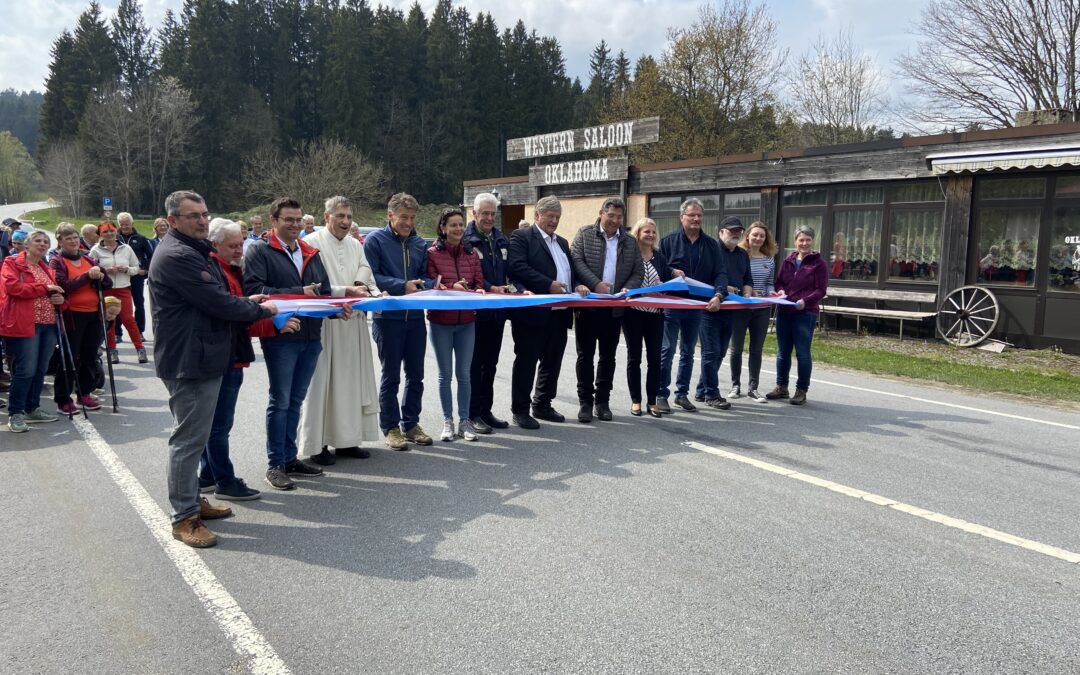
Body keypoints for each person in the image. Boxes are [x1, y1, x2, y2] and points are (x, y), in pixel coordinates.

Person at [150, 191, 279, 548]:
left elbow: (219, 298)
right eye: (193, 216)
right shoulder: (178, 255)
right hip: (189, 361)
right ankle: (184, 518)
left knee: (195, 438)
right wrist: (260, 311)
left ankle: (192, 502)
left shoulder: (194, 250)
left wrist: (244, 301)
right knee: (188, 441)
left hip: (201, 356)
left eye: (204, 214)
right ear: (173, 220)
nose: (202, 221)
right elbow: (217, 302)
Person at [244, 197, 347, 490]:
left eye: (298, 220)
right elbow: (256, 292)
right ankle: (275, 464)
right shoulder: (259, 251)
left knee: (295, 401)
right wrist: (298, 292)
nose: (295, 225)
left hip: (311, 336)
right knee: (280, 401)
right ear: (273, 221)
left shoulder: (309, 252)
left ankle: (290, 458)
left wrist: (338, 310)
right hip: (281, 337)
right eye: (288, 220)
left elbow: (324, 292)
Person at [299, 196, 382, 466]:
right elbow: (312, 283)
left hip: (353, 324)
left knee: (350, 383)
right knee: (322, 384)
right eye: (340, 216)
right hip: (326, 324)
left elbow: (365, 267)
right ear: (326, 217)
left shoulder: (356, 244)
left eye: (349, 216)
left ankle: (347, 440)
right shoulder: (311, 243)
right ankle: (318, 443)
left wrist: (358, 284)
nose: (346, 222)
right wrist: (342, 292)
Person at [507, 195, 587, 429]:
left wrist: (579, 284)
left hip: (560, 312)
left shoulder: (562, 242)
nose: (554, 221)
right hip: (532, 312)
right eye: (550, 216)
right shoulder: (522, 237)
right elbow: (517, 267)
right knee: (527, 360)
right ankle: (520, 410)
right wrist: (547, 284)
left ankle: (542, 404)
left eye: (557, 217)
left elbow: (570, 269)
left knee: (552, 361)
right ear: (537, 216)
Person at [364, 192, 435, 451]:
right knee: (391, 376)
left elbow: (426, 276)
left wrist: (423, 284)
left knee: (416, 375)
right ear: (390, 215)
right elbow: (370, 278)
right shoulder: (375, 241)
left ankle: (412, 424)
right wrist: (401, 286)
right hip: (388, 319)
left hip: (416, 318)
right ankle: (391, 427)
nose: (408, 222)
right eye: (403, 217)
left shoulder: (419, 243)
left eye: (412, 218)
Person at [570, 196, 643, 422]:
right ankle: (585, 402)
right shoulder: (584, 234)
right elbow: (576, 261)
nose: (614, 220)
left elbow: (637, 272)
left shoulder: (630, 242)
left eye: (619, 217)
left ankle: (602, 402)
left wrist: (626, 290)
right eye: (610, 215)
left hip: (614, 308)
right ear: (601, 213)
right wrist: (595, 284)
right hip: (588, 307)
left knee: (608, 357)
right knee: (585, 356)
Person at [656, 198, 728, 413]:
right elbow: (658, 269)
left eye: (699, 215)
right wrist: (671, 271)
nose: (696, 219)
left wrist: (719, 295)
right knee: (667, 350)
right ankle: (661, 394)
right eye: (692, 215)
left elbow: (720, 273)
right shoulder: (668, 241)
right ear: (682, 217)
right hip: (672, 305)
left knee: (688, 351)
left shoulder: (711, 245)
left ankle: (682, 394)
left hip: (697, 307)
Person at [426, 207, 486, 441]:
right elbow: (432, 283)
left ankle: (464, 421)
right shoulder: (432, 253)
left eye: (461, 224)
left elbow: (479, 282)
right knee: (445, 374)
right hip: (441, 322)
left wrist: (477, 289)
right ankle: (447, 421)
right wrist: (452, 287)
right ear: (443, 228)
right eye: (453, 225)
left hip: (467, 322)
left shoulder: (472, 253)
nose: (458, 228)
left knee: (464, 374)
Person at [0, 230, 64, 432]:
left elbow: (55, 294)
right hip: (24, 324)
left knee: (40, 369)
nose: (43, 244)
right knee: (25, 370)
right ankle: (16, 413)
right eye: (38, 240)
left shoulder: (46, 268)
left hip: (48, 324)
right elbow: (13, 288)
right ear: (26, 245)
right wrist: (45, 288)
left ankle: (32, 408)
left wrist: (61, 301)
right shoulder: (12, 263)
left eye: (46, 241)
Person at [463, 192, 511, 433]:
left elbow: (510, 272)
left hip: (498, 313)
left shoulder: (502, 240)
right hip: (476, 314)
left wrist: (518, 290)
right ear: (474, 213)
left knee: (491, 364)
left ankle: (486, 410)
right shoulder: (466, 241)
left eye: (493, 214)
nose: (489, 218)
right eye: (485, 213)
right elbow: (464, 277)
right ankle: (472, 414)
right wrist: (487, 288)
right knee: (476, 365)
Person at [50, 223, 110, 414]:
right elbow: (63, 286)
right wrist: (87, 276)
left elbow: (107, 282)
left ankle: (84, 393)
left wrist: (99, 275)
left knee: (90, 356)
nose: (74, 241)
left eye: (75, 237)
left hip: (94, 314)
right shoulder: (57, 261)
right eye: (68, 239)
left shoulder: (89, 259)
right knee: (69, 357)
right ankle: (63, 398)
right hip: (72, 315)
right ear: (60, 242)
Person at [767, 224, 828, 405]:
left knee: (802, 353)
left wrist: (805, 302)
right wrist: (779, 292)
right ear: (795, 241)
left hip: (805, 313)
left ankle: (801, 390)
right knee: (782, 352)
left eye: (808, 240)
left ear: (812, 241)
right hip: (785, 311)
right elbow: (779, 283)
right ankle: (781, 387)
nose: (804, 243)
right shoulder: (788, 261)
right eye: (801, 240)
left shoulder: (819, 264)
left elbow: (820, 290)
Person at [696, 216, 752, 410]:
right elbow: (700, 279)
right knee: (710, 352)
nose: (735, 234)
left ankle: (701, 389)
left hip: (731, 310)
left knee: (719, 352)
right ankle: (712, 394)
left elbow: (748, 279)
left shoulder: (743, 254)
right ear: (721, 232)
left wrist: (747, 292)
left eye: (738, 231)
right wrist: (723, 288)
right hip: (710, 308)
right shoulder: (710, 250)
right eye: (731, 230)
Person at [623, 218, 672, 418]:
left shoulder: (659, 257)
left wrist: (673, 277)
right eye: (646, 232)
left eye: (653, 232)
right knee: (634, 358)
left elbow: (668, 280)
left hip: (655, 315)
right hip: (633, 314)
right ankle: (636, 400)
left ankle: (652, 401)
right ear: (638, 233)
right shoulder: (629, 255)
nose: (650, 235)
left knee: (654, 359)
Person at [730, 222, 777, 403]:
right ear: (747, 236)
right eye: (755, 235)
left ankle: (753, 388)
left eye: (762, 236)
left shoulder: (769, 258)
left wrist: (771, 291)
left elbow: (769, 282)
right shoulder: (739, 255)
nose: (758, 238)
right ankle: (736, 385)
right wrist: (746, 291)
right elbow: (735, 279)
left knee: (756, 350)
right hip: (740, 308)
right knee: (736, 349)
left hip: (762, 310)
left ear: (766, 239)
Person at [90, 222, 147, 364]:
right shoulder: (96, 250)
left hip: (123, 288)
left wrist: (126, 269)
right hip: (106, 289)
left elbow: (136, 267)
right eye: (105, 232)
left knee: (128, 318)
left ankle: (140, 349)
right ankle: (112, 351)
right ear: (100, 235)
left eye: (111, 231)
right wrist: (105, 271)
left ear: (116, 231)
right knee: (110, 320)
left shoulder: (126, 248)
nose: (109, 234)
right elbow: (90, 269)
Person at [117, 212, 153, 334]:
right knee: (117, 304)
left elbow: (151, 256)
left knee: (138, 302)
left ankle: (139, 331)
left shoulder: (141, 239)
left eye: (127, 224)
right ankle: (117, 332)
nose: (124, 227)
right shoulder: (115, 238)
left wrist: (145, 270)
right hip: (120, 276)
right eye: (122, 224)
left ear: (132, 224)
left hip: (136, 275)